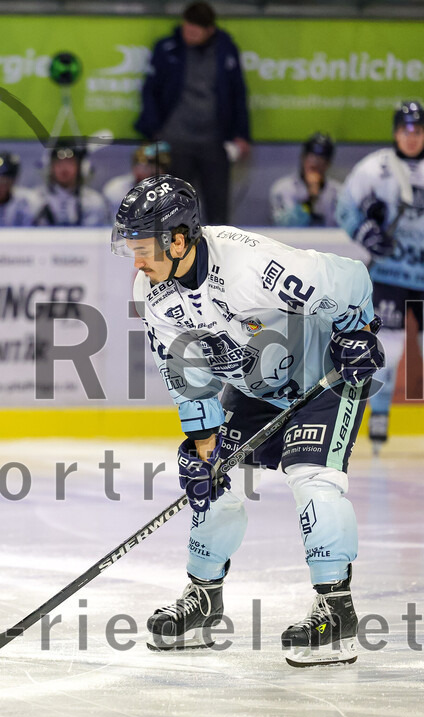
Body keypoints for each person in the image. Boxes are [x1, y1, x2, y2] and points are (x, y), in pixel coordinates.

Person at [113, 175, 382, 668]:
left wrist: (360, 331)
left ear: (178, 238)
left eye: (144, 247)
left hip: (323, 372)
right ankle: (203, 598)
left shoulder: (252, 265)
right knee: (211, 481)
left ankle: (337, 609)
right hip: (255, 387)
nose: (137, 261)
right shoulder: (152, 293)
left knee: (313, 479)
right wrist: (201, 448)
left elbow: (350, 279)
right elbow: (187, 379)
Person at [336, 100, 424, 452]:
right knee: (388, 348)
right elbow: (345, 206)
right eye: (406, 130)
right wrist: (365, 232)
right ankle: (380, 415)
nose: (412, 137)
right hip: (389, 275)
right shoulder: (376, 168)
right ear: (395, 132)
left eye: (418, 130)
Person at [135, 1, 251, 224]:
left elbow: (238, 92)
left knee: (217, 209)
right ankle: (175, 256)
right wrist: (154, 131)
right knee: (174, 207)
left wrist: (241, 134)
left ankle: (217, 257)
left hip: (215, 140)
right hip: (175, 139)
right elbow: (150, 90)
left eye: (195, 32)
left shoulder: (226, 50)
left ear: (210, 30)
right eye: (186, 29)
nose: (188, 35)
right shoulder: (167, 47)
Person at [270, 133, 340, 227]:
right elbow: (284, 225)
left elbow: (343, 227)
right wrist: (310, 201)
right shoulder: (283, 189)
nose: (316, 162)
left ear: (328, 164)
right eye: (311, 156)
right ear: (303, 158)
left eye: (322, 159)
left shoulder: (338, 192)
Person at [36, 141, 109, 226]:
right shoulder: (36, 200)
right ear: (49, 168)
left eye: (70, 162)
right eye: (59, 163)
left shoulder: (94, 201)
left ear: (81, 168)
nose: (64, 168)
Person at [102, 142, 172, 211]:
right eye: (149, 164)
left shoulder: (170, 191)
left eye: (162, 166)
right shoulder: (116, 188)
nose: (156, 170)